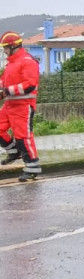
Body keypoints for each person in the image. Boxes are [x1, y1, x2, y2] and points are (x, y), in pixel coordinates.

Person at [0, 31, 41, 181]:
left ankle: (32, 167)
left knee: (23, 137)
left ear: (13, 46)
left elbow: (30, 85)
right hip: (10, 104)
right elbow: (4, 82)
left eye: (5, 48)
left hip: (23, 106)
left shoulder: (27, 61)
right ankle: (14, 151)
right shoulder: (11, 63)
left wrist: (6, 91)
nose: (4, 51)